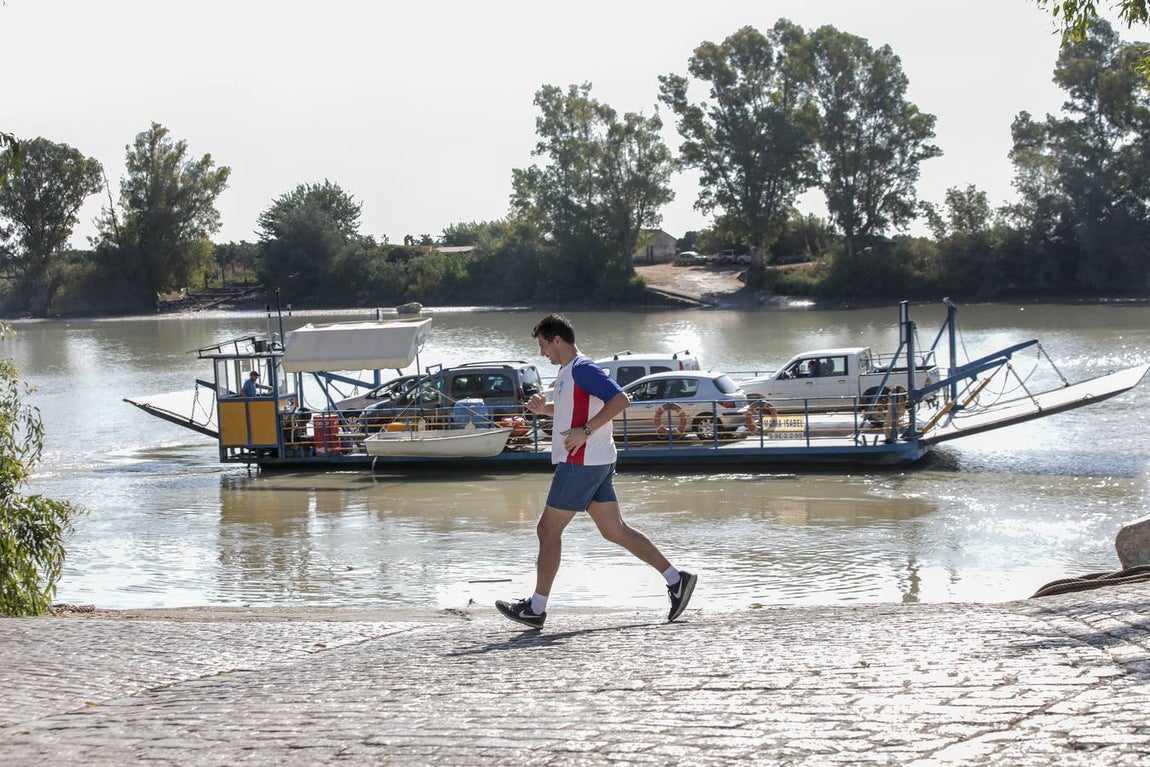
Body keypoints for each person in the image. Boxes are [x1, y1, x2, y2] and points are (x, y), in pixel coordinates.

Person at [495, 314, 697, 629]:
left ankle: (536, 608)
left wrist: (585, 432)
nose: (541, 353)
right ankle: (676, 579)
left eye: (543, 345)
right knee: (614, 530)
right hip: (595, 460)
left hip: (582, 461)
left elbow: (621, 400)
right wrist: (543, 409)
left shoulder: (583, 369)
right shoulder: (567, 373)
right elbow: (570, 411)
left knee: (547, 531)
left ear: (557, 340)